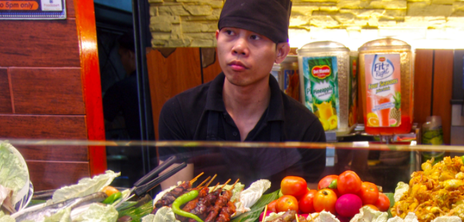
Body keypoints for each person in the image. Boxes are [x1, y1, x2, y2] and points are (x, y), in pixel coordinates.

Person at [158, 0, 326, 187]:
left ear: (280, 52)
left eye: (255, 37)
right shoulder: (179, 112)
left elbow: (302, 209)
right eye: (230, 33)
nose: (238, 47)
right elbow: (173, 206)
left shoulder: (306, 129)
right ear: (217, 38)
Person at [103, 32, 141, 140]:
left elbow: (99, 124)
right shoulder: (156, 81)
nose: (121, 61)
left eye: (121, 55)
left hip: (141, 151)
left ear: (129, 54)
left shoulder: (122, 88)